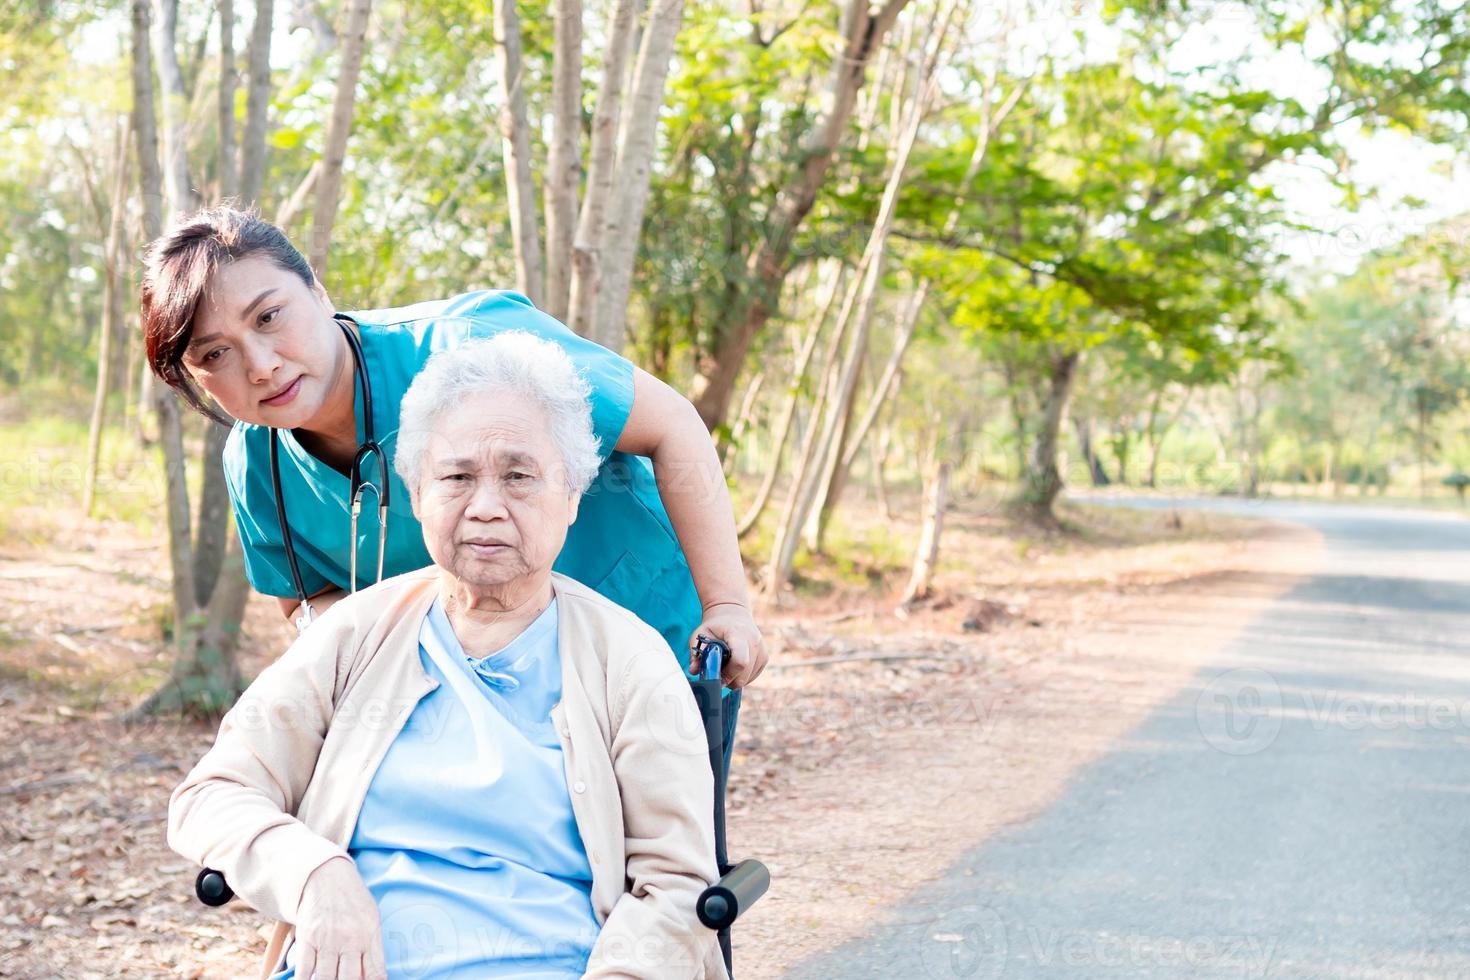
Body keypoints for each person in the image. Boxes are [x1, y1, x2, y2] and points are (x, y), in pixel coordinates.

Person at [169, 334, 727, 979]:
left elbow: (677, 884)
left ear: (572, 496)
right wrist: (314, 874)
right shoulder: (356, 633)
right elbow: (210, 794)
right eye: (457, 476)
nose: (486, 507)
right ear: (416, 494)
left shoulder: (628, 659)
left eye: (519, 477)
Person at [140, 206, 764, 767]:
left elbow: (673, 426)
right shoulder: (255, 464)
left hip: (639, 630)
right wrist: (384, 663)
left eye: (270, 317)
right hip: (463, 699)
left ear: (317, 289)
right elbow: (308, 599)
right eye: (214, 355)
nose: (260, 364)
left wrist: (727, 606)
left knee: (655, 862)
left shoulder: (474, 345)